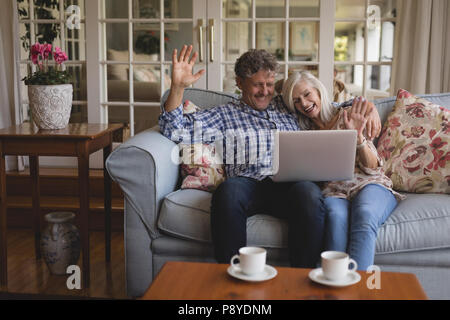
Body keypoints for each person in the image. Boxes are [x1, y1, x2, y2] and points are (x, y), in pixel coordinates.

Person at [159, 45, 381, 265]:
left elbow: (327, 107)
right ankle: (232, 273)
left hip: (291, 183)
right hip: (249, 182)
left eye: (269, 84)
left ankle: (301, 280)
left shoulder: (287, 105)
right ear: (239, 83)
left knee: (309, 195)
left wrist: (367, 108)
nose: (265, 91)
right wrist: (177, 88)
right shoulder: (224, 113)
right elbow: (174, 130)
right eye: (257, 85)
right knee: (228, 192)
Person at [281, 71, 405, 270]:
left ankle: (355, 291)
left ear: (319, 91)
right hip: (335, 193)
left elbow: (372, 168)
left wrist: (359, 139)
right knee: (334, 217)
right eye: (296, 101)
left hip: (369, 184)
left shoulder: (349, 115)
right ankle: (334, 284)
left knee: (364, 214)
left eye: (307, 94)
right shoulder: (304, 134)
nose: (303, 103)